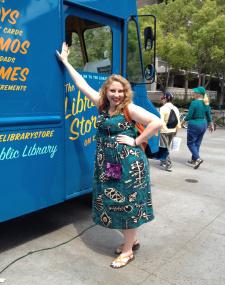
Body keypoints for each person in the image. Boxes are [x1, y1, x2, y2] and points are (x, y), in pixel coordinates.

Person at [56, 43, 162, 269]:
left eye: (120, 91)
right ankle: (132, 241)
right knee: (116, 202)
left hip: (128, 164)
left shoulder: (129, 109)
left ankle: (127, 251)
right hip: (109, 163)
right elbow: (80, 83)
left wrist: (136, 141)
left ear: (126, 92)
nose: (116, 95)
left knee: (126, 204)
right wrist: (66, 62)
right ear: (107, 91)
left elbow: (157, 122)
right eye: (112, 91)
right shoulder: (102, 106)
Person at [183, 86, 214, 169]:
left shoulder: (194, 103)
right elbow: (208, 115)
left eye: (194, 92)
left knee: (190, 143)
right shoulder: (206, 103)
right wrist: (211, 125)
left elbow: (189, 115)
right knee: (197, 143)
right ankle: (194, 160)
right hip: (203, 124)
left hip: (194, 124)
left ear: (198, 94)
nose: (193, 93)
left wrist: (183, 121)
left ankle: (198, 158)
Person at [158, 92, 180, 172]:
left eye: (162, 98)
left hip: (164, 131)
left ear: (166, 99)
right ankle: (163, 161)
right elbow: (178, 121)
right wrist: (177, 130)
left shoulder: (163, 108)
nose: (161, 100)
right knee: (166, 146)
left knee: (164, 148)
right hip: (173, 130)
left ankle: (168, 164)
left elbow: (161, 121)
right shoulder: (176, 108)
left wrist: (161, 130)